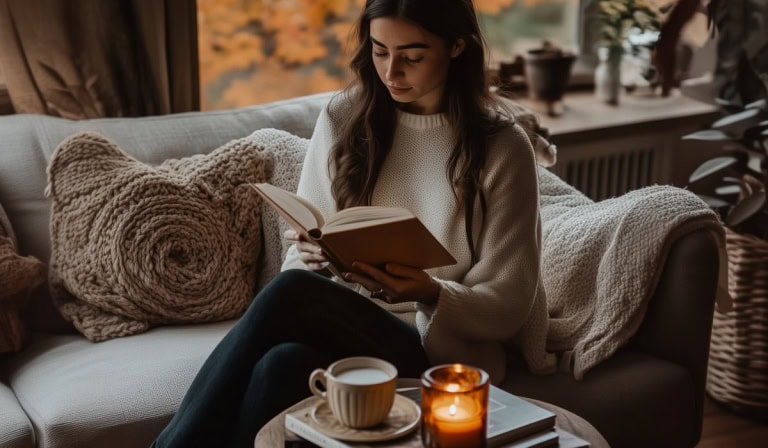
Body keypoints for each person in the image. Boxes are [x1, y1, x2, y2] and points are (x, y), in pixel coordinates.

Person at [152, 0, 551, 446]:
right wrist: (310, 255)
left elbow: (510, 301)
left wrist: (429, 291)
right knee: (280, 364)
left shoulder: (501, 148)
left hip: (438, 353)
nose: (391, 71)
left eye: (412, 56)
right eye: (380, 51)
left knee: (291, 293)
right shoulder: (344, 118)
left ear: (457, 46)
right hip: (344, 324)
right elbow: (304, 252)